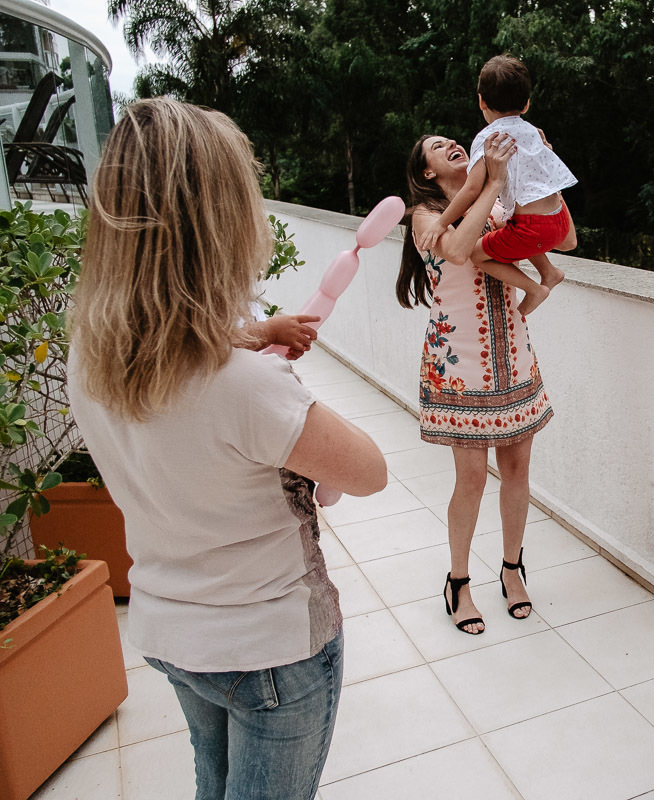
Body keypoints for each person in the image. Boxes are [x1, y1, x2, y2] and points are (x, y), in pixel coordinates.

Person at [67, 98, 388, 800]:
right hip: (268, 652)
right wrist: (282, 387)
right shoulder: (244, 387)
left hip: (169, 630)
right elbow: (370, 472)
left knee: (211, 787)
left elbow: (180, 368)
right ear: (217, 222)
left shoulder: (90, 358)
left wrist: (248, 339)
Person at [398, 130, 567, 635]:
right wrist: (491, 182)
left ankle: (513, 570)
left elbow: (563, 238)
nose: (450, 143)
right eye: (435, 146)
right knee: (470, 479)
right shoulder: (425, 216)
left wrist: (543, 166)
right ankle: (459, 581)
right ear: (427, 171)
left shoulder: (497, 197)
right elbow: (459, 251)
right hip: (459, 362)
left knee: (517, 471)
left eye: (452, 138)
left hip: (511, 348)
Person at [415, 54, 577, 316]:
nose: (451, 145)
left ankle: (534, 288)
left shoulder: (488, 139)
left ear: (481, 100)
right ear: (526, 104)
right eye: (439, 146)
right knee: (503, 224)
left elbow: (471, 189)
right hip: (557, 217)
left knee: (478, 254)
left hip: (534, 228)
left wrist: (442, 223)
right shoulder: (534, 132)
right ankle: (549, 272)